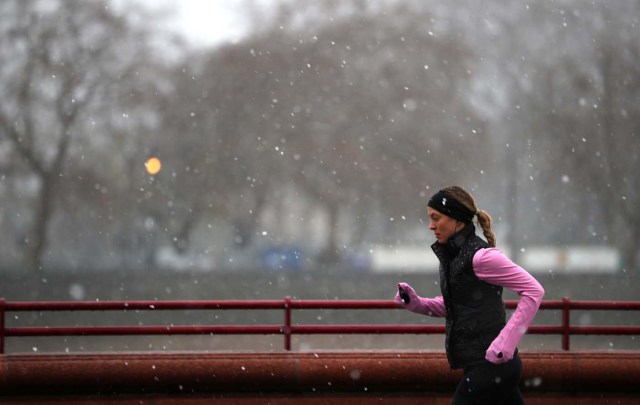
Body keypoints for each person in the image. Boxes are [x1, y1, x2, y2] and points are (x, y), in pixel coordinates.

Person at [394, 186, 544, 404]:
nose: (431, 226)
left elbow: (534, 291)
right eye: (429, 218)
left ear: (457, 219)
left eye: (436, 218)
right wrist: (417, 303)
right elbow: (458, 306)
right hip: (483, 366)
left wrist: (505, 343)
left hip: (492, 368)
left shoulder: (481, 258)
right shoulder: (453, 257)